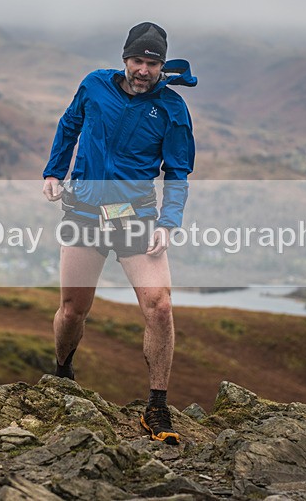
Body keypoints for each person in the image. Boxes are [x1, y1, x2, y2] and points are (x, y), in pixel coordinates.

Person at [42, 22, 196, 445]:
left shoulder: (172, 109)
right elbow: (69, 124)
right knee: (73, 310)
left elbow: (178, 172)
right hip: (84, 212)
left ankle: (157, 406)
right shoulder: (94, 85)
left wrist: (169, 221)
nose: (143, 69)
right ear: (125, 58)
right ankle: (63, 373)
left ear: (162, 65)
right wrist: (55, 169)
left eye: (152, 63)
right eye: (137, 60)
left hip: (137, 217)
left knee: (159, 305)